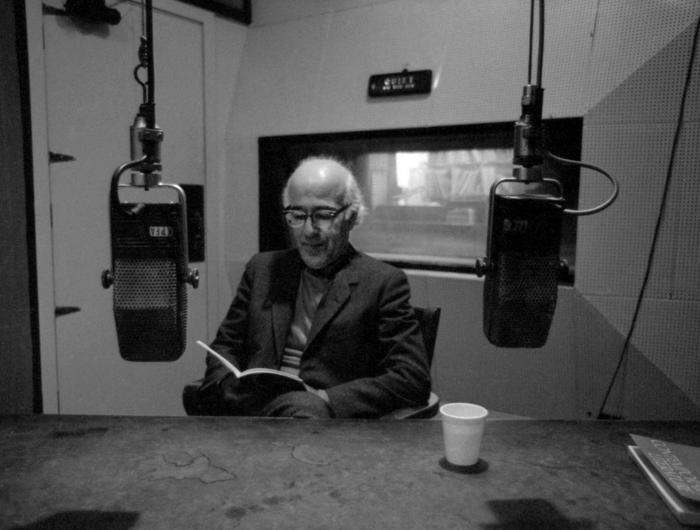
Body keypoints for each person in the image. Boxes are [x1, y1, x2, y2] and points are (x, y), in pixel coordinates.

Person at [196, 156, 431, 418]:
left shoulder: (383, 282)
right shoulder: (262, 269)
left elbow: (411, 378)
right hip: (251, 410)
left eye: (323, 215)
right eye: (297, 215)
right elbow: (225, 345)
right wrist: (224, 381)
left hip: (320, 424)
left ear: (351, 216)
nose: (309, 231)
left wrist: (327, 400)